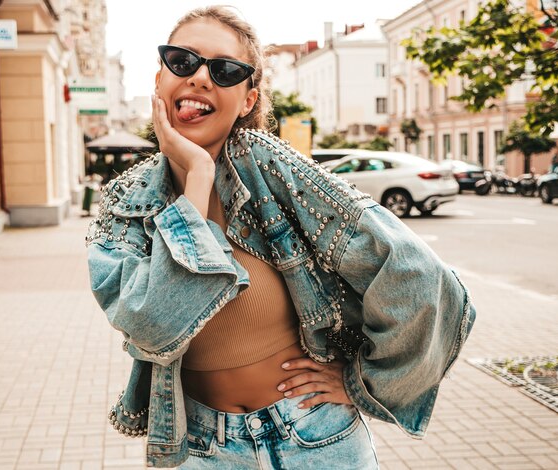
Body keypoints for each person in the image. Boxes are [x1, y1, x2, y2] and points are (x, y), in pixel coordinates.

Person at [86, 6, 476, 469]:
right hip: (200, 449)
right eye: (183, 60)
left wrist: (359, 383)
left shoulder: (270, 166)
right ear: (160, 78)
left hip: (316, 437)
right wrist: (198, 176)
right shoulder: (125, 200)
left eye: (225, 70)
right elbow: (152, 324)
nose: (200, 78)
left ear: (248, 100)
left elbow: (418, 278)